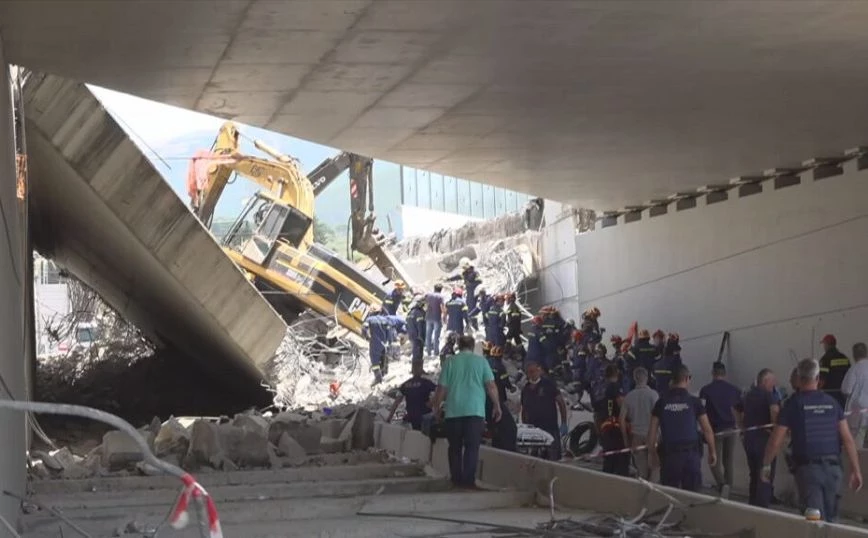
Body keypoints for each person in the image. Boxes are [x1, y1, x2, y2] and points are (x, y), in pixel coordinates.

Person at [762, 358, 863, 522]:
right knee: (832, 522)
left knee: (814, 522)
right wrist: (856, 470)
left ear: (799, 379)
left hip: (808, 473)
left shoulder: (793, 405)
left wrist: (766, 465)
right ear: (818, 379)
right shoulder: (833, 403)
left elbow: (776, 440)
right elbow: (848, 439)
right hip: (834, 471)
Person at [431, 335, 502, 489]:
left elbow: (442, 389)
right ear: (472, 347)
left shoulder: (450, 362)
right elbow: (491, 386)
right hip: (475, 411)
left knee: (454, 447)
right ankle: (468, 481)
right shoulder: (481, 362)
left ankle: (456, 480)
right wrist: (497, 405)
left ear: (458, 346)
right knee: (472, 447)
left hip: (454, 411)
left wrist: (436, 408)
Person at [648, 365, 718, 492]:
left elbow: (652, 432)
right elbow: (707, 430)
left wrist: (652, 454)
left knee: (670, 494)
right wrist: (712, 451)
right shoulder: (694, 402)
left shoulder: (661, 402)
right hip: (691, 455)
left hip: (669, 456)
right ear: (686, 379)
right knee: (692, 496)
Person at [734, 368, 780, 507]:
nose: (774, 384)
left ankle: (752, 504)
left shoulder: (748, 394)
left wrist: (742, 426)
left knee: (753, 474)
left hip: (749, 440)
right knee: (765, 474)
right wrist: (774, 429)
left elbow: (736, 409)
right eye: (772, 381)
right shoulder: (769, 395)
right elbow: (775, 411)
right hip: (764, 441)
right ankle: (763, 508)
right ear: (765, 381)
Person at [699, 362, 742, 497]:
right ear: (724, 374)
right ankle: (728, 489)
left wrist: (702, 430)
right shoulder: (734, 390)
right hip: (731, 429)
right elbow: (740, 409)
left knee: (713, 461)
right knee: (728, 460)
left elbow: (701, 411)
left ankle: (722, 485)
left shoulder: (705, 390)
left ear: (713, 373)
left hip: (715, 430)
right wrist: (739, 426)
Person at [521, 361, 568, 461]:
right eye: (529, 372)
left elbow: (561, 402)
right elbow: (524, 409)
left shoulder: (548, 384)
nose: (532, 374)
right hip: (533, 430)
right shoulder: (526, 389)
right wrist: (525, 427)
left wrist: (564, 422)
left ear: (539, 371)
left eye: (534, 371)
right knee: (534, 459)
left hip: (549, 428)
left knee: (553, 457)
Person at [620, 367, 659, 480]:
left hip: (636, 436)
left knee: (641, 471)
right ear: (647, 378)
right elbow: (659, 416)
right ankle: (653, 493)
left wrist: (625, 439)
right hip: (652, 436)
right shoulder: (654, 395)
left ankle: (641, 492)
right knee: (655, 468)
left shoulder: (629, 396)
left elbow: (621, 419)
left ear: (634, 379)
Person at [596, 364, 629, 476]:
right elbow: (621, 404)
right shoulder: (615, 387)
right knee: (620, 456)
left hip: (604, 422)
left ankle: (607, 478)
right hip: (614, 425)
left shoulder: (601, 386)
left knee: (609, 455)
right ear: (616, 373)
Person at [387, 361, 436, 430]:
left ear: (412, 371)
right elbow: (440, 392)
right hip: (425, 416)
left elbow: (396, 402)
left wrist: (389, 418)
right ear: (421, 370)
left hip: (412, 417)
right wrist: (432, 402)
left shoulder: (405, 384)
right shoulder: (426, 383)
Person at [486, 346, 517, 452]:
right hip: (498, 395)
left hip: (487, 395)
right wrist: (511, 388)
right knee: (501, 418)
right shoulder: (500, 367)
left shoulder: (487, 363)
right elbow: (505, 381)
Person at [842, 342, 868, 447]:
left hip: (857, 411)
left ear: (854, 355)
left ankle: (859, 462)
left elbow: (846, 390)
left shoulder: (853, 369)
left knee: (856, 442)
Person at [361, 308, 392, 385]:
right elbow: (389, 332)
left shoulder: (370, 319)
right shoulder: (385, 320)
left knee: (375, 362)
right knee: (384, 359)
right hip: (385, 343)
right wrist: (388, 342)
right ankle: (384, 375)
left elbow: (364, 328)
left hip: (375, 342)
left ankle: (378, 379)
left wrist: (367, 337)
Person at [819, 334, 850, 408]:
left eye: (824, 344)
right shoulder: (844, 357)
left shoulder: (825, 359)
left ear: (826, 344)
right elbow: (849, 374)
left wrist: (816, 391)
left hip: (830, 393)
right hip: (844, 394)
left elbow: (822, 378)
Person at [425, 284, 447, 356]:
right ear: (441, 289)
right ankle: (436, 352)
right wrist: (444, 317)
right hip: (436, 318)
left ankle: (428, 352)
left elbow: (426, 305)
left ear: (434, 288)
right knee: (436, 336)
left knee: (428, 335)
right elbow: (442, 307)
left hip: (428, 317)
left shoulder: (428, 295)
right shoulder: (440, 297)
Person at [405, 296, 426, 363]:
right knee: (418, 353)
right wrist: (421, 336)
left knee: (416, 352)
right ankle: (417, 371)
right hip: (418, 336)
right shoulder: (419, 313)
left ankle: (417, 369)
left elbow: (406, 325)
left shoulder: (410, 313)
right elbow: (420, 325)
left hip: (411, 335)